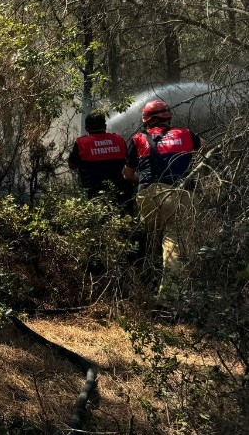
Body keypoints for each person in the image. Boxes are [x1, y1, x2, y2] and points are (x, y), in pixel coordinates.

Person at [122, 99, 203, 301]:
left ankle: (143, 287)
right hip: (180, 194)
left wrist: (141, 178)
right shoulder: (186, 134)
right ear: (168, 117)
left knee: (151, 241)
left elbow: (127, 174)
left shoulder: (138, 138)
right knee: (175, 245)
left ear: (146, 120)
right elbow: (207, 151)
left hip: (148, 194)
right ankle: (169, 301)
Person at [68, 113, 133, 210]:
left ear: (86, 128)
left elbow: (72, 165)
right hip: (122, 196)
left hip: (95, 198)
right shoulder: (119, 139)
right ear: (105, 126)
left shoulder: (82, 143)